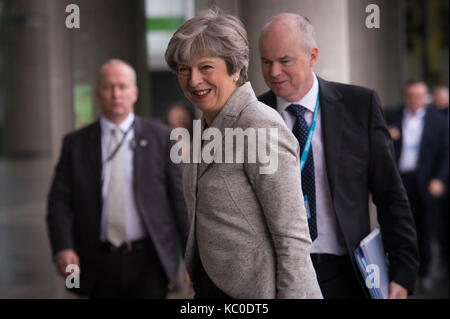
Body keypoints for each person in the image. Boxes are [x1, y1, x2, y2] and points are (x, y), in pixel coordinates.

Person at [258, 13, 419, 299]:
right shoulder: (253, 117)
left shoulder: (360, 106)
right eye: (266, 62)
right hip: (278, 275)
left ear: (312, 56)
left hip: (346, 271)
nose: (274, 72)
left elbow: (390, 195)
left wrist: (402, 272)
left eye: (285, 61)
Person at [165, 9, 322, 299]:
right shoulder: (206, 125)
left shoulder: (259, 124)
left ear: (235, 69)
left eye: (206, 67)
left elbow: (292, 237)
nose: (194, 80)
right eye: (184, 69)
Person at [47, 59, 189, 298]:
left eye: (122, 87)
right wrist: (63, 247)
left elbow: (180, 202)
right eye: (108, 87)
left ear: (134, 93)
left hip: (149, 262)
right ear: (97, 93)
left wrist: (190, 259)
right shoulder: (75, 144)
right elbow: (59, 202)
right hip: (96, 262)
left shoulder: (162, 138)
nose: (116, 94)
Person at [385, 81, 449, 291]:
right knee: (398, 228)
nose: (415, 100)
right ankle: (398, 272)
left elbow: (445, 153)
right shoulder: (391, 116)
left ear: (426, 97)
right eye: (411, 96)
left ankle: (424, 272)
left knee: (424, 229)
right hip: (398, 180)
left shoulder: (437, 121)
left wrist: (439, 179)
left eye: (419, 96)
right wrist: (387, 135)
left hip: (425, 182)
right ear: (405, 96)